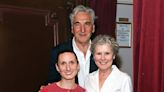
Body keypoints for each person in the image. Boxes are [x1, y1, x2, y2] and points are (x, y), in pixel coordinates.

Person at [46, 5, 98, 87]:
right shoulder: (58, 52)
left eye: (87, 24)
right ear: (72, 29)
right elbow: (52, 84)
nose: (82, 30)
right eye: (77, 24)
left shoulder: (103, 53)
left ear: (93, 28)